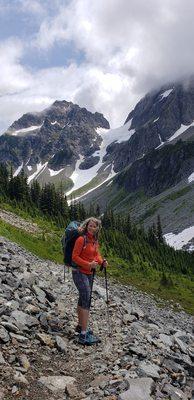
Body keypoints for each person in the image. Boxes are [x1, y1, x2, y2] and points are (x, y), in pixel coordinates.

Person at [72, 217, 107, 345]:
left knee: (83, 298)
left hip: (89, 273)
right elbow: (74, 257)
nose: (92, 228)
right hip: (79, 272)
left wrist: (101, 261)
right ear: (87, 226)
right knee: (86, 299)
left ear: (97, 228)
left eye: (95, 226)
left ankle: (80, 326)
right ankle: (83, 335)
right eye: (90, 226)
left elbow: (96, 254)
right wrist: (88, 264)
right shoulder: (82, 239)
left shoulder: (94, 241)